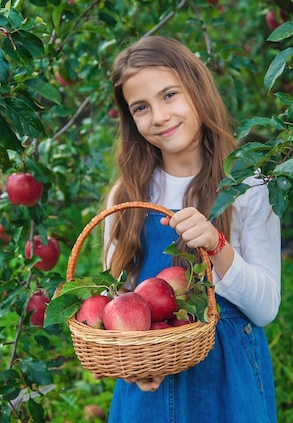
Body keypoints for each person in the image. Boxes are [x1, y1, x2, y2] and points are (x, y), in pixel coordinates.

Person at [102, 35, 281, 423]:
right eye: (141, 107)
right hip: (150, 387)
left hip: (227, 383)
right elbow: (113, 299)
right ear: (130, 119)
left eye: (170, 95)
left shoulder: (248, 187)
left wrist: (218, 247)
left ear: (197, 89)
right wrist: (132, 363)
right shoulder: (126, 197)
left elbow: (266, 309)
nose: (160, 116)